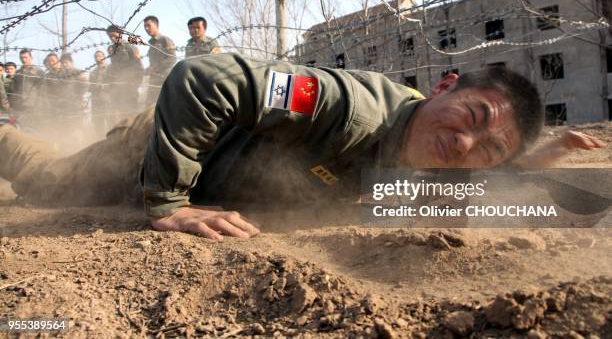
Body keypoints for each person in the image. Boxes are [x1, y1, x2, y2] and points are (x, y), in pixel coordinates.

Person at [0, 53, 605, 240]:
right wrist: (165, 203)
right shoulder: (352, 109)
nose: (465, 144)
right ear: (443, 85)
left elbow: (476, 170)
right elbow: (205, 79)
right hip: (154, 147)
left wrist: (533, 155)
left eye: (489, 148)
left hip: (210, 164)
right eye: (470, 116)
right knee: (44, 181)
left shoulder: (433, 158)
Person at [106, 25, 144, 120]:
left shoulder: (130, 47)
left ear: (121, 34)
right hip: (118, 88)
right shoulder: (112, 50)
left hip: (130, 86)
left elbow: (139, 67)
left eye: (115, 36)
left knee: (132, 114)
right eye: (110, 37)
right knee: (120, 115)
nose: (113, 39)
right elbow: (113, 69)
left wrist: (136, 83)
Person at [143, 15, 176, 104]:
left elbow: (172, 59)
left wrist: (156, 67)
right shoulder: (151, 44)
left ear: (156, 25)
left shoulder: (164, 40)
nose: (146, 28)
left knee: (166, 105)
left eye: (148, 25)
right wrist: (147, 70)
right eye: (145, 26)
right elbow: (152, 63)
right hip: (154, 80)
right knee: (150, 106)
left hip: (165, 79)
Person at [11, 49, 45, 116]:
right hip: (19, 105)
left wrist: (39, 105)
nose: (23, 60)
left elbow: (43, 90)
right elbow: (14, 89)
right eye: (21, 58)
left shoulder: (38, 71)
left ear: (31, 58)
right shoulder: (18, 73)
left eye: (25, 57)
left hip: (33, 105)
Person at [89, 50, 111, 137]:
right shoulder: (93, 72)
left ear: (104, 57)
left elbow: (114, 82)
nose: (98, 58)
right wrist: (93, 88)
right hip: (96, 100)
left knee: (109, 119)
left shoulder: (109, 69)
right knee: (98, 121)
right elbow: (90, 86)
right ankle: (99, 137)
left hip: (107, 99)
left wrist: (104, 86)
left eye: (100, 56)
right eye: (96, 56)